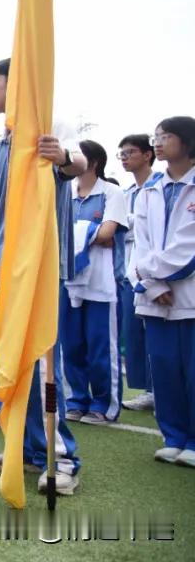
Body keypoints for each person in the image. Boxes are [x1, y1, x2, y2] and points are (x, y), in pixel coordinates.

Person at [0, 57, 85, 495]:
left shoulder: (44, 138)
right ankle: (21, 445)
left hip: (36, 271)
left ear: (16, 85)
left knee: (41, 363)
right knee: (5, 361)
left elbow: (73, 163)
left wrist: (62, 158)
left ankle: (63, 457)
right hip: (0, 270)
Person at [131, 116, 195, 467]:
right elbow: (139, 243)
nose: (158, 142)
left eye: (166, 136)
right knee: (165, 370)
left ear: (187, 141)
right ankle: (174, 436)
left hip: (189, 295)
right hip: (155, 297)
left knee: (192, 372)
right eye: (156, 136)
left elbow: (188, 247)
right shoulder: (150, 189)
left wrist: (154, 276)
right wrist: (152, 285)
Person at [61, 140, 126, 425]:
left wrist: (80, 233)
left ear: (94, 162)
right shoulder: (65, 193)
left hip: (101, 283)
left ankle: (104, 404)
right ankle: (77, 399)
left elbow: (108, 233)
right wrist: (91, 232)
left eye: (78, 156)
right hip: (67, 280)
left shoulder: (112, 192)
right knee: (71, 345)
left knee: (101, 345)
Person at [118, 134, 163, 411]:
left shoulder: (160, 186)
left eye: (130, 152)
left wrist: (127, 224)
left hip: (156, 271)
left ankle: (161, 389)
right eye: (120, 153)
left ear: (147, 155)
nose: (124, 158)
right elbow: (120, 227)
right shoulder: (126, 194)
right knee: (134, 334)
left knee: (157, 335)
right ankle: (148, 388)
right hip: (129, 271)